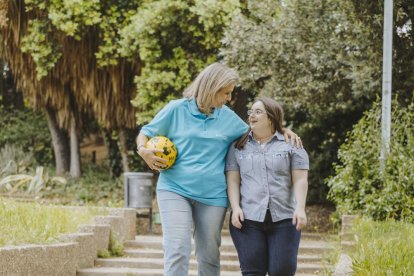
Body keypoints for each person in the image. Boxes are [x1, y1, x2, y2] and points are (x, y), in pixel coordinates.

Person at [136, 63, 301, 276]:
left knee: (209, 255)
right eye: (225, 92)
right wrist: (143, 150)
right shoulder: (176, 109)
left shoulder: (227, 117)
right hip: (174, 189)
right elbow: (146, 132)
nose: (228, 98)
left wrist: (281, 129)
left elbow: (257, 132)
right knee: (177, 248)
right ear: (211, 87)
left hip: (213, 196)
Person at [225, 97, 309, 276]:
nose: (251, 116)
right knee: (252, 272)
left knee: (282, 271)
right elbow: (233, 180)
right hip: (248, 219)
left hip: (285, 219)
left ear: (271, 117)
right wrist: (235, 207)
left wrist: (300, 208)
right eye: (250, 112)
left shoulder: (292, 144)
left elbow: (300, 179)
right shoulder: (238, 146)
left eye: (258, 111)